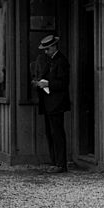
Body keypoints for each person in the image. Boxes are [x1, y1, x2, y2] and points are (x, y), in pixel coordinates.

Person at [31, 34, 71, 173]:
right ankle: (55, 161)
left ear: (54, 47)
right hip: (48, 102)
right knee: (50, 133)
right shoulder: (49, 60)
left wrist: (48, 83)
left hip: (57, 103)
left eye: (47, 49)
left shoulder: (61, 61)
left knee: (57, 133)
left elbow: (63, 83)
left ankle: (61, 163)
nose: (46, 52)